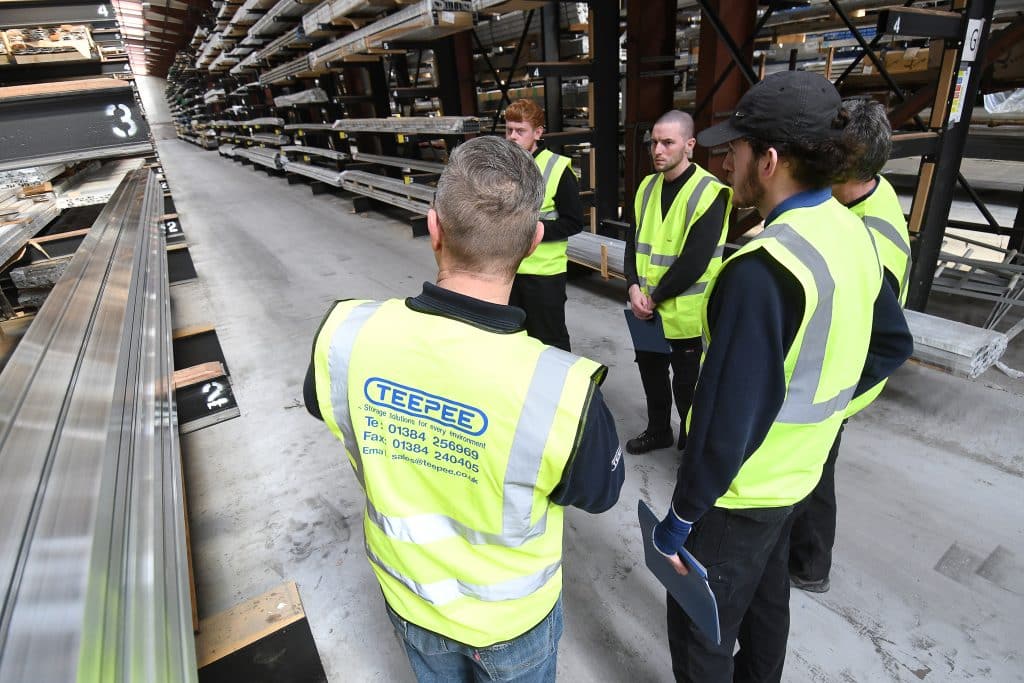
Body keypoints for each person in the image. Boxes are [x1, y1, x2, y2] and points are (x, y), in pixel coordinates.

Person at [303, 136, 623, 683]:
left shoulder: (345, 335)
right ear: (534, 242)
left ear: (434, 228)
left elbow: (323, 405)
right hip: (513, 625)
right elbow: (600, 492)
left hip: (410, 600)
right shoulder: (564, 392)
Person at [650, 71, 914, 682]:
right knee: (767, 605)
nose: (725, 163)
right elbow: (892, 343)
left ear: (769, 161)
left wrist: (681, 516)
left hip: (739, 495)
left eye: (735, 150)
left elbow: (725, 423)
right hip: (798, 474)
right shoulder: (852, 231)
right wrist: (826, 405)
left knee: (702, 629)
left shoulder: (764, 269)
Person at [788, 98, 913, 594]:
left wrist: (842, 393)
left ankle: (810, 565)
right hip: (835, 374)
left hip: (837, 382)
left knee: (815, 472)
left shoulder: (870, 239)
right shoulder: (868, 194)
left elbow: (889, 343)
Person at [623, 110, 732, 454]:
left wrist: (653, 298)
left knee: (688, 385)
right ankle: (659, 431)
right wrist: (632, 286)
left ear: (689, 145)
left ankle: (691, 444)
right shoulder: (646, 187)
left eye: (667, 143)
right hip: (645, 309)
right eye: (654, 142)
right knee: (651, 374)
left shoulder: (709, 192)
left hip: (684, 314)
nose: (657, 150)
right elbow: (632, 242)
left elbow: (694, 262)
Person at [504, 99, 585, 351]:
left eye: (520, 131)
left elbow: (574, 222)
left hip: (544, 276)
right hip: (507, 271)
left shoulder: (557, 168)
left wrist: (536, 231)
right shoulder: (503, 167)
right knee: (513, 339)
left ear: (538, 133)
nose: (512, 137)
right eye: (509, 130)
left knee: (550, 342)